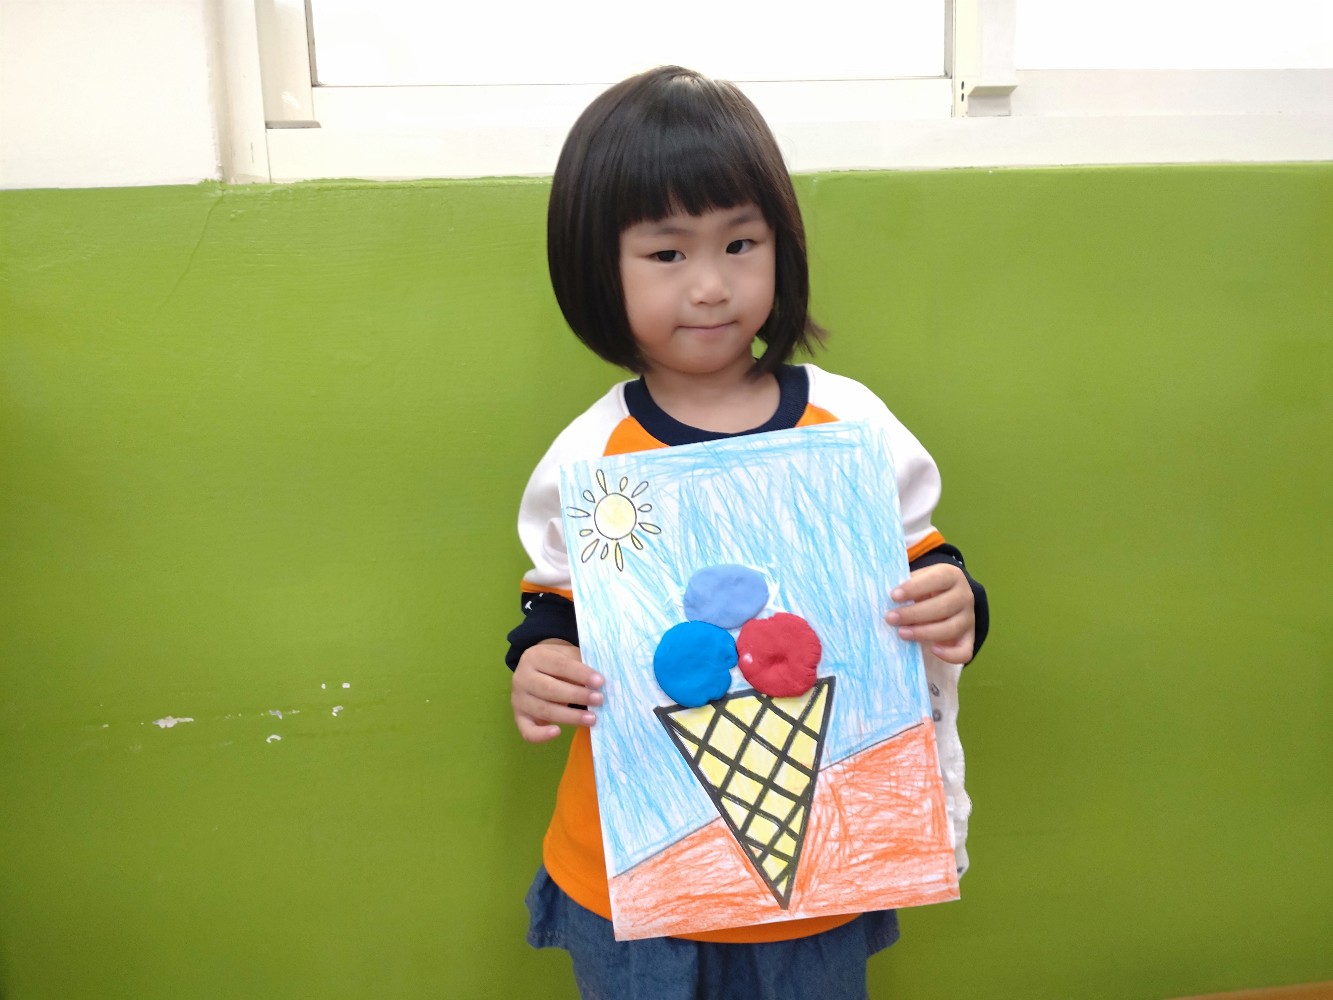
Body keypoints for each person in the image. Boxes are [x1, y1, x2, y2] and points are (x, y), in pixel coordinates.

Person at [505, 65, 990, 1000]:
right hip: (636, 869)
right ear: (597, 269)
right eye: (666, 253)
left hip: (819, 879)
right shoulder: (592, 456)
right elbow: (554, 610)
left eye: (739, 243)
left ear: (782, 246)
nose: (711, 286)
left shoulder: (848, 426)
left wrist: (956, 603)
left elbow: (926, 566)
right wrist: (540, 666)